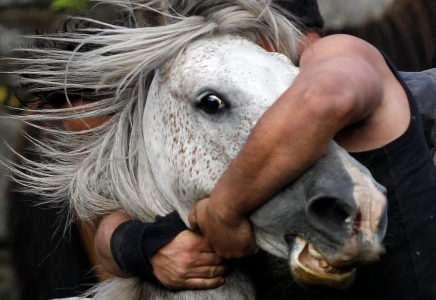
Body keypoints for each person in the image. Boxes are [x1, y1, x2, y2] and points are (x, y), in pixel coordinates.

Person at [92, 1, 436, 299]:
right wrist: (146, 246)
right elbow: (110, 226)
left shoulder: (336, 55)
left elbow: (319, 101)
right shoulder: (236, 108)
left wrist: (224, 211)